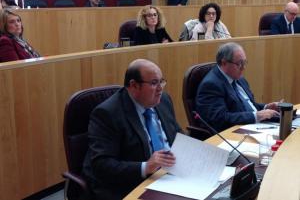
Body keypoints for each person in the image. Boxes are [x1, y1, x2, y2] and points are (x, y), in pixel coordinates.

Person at [82, 59, 182, 200]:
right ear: (134, 85)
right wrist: (145, 167)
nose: (160, 88)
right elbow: (102, 165)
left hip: (170, 176)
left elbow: (176, 133)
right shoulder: (108, 114)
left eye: (161, 81)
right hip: (133, 184)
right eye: (154, 83)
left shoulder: (163, 100)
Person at [195, 42, 280, 132]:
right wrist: (257, 116)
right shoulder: (211, 85)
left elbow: (247, 106)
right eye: (239, 64)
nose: (243, 68)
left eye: (244, 62)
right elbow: (220, 119)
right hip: (232, 134)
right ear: (224, 63)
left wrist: (266, 107)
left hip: (257, 126)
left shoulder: (239, 79)